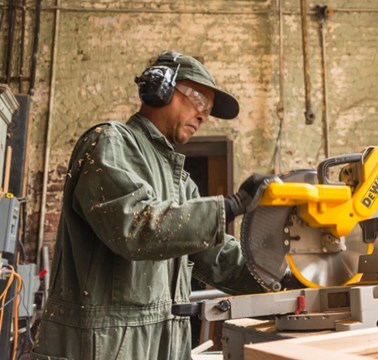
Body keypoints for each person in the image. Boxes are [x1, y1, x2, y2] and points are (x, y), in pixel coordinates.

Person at [32, 51, 271, 359]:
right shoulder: (109, 143)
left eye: (208, 110)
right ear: (161, 88)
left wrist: (289, 274)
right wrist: (234, 205)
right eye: (199, 101)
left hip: (163, 341)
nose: (203, 116)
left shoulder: (180, 181)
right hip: (105, 345)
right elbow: (135, 227)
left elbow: (219, 258)